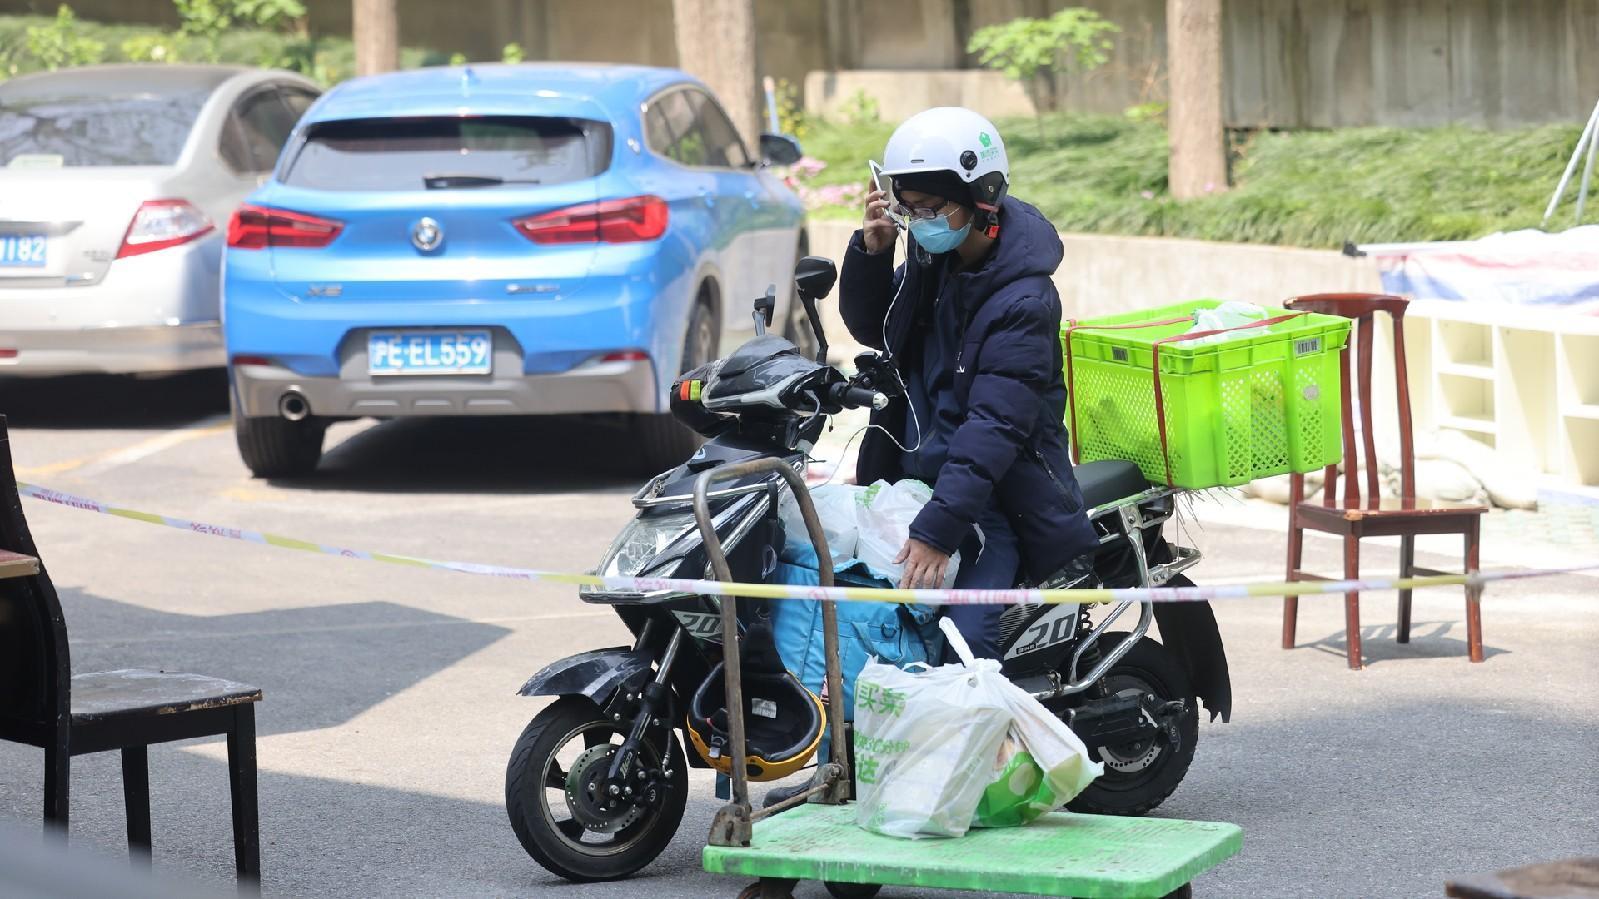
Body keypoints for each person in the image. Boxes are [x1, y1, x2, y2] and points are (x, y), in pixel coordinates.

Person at [839, 106, 1099, 660]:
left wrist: (938, 531)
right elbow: (877, 331)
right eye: (909, 209)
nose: (920, 220)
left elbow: (994, 428)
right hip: (921, 485)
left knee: (958, 649)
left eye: (932, 208)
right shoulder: (936, 261)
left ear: (983, 199)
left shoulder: (1023, 301)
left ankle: (989, 734)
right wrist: (874, 251)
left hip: (993, 504)